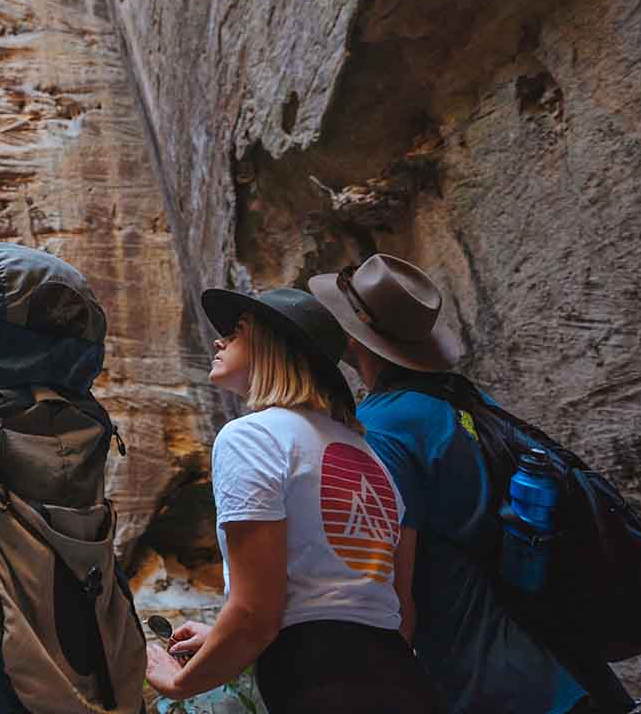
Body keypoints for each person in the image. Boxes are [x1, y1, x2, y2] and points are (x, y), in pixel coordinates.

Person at [309, 254, 593, 713]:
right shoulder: (464, 399)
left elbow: (392, 594)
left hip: (478, 679)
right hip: (549, 660)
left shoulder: (380, 430)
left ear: (352, 335)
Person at [146, 286, 439, 714]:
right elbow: (390, 610)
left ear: (275, 347)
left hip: (316, 687)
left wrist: (180, 682)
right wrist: (223, 639)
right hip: (401, 681)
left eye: (239, 330)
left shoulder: (252, 437)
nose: (218, 340)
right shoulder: (369, 456)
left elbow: (255, 614)